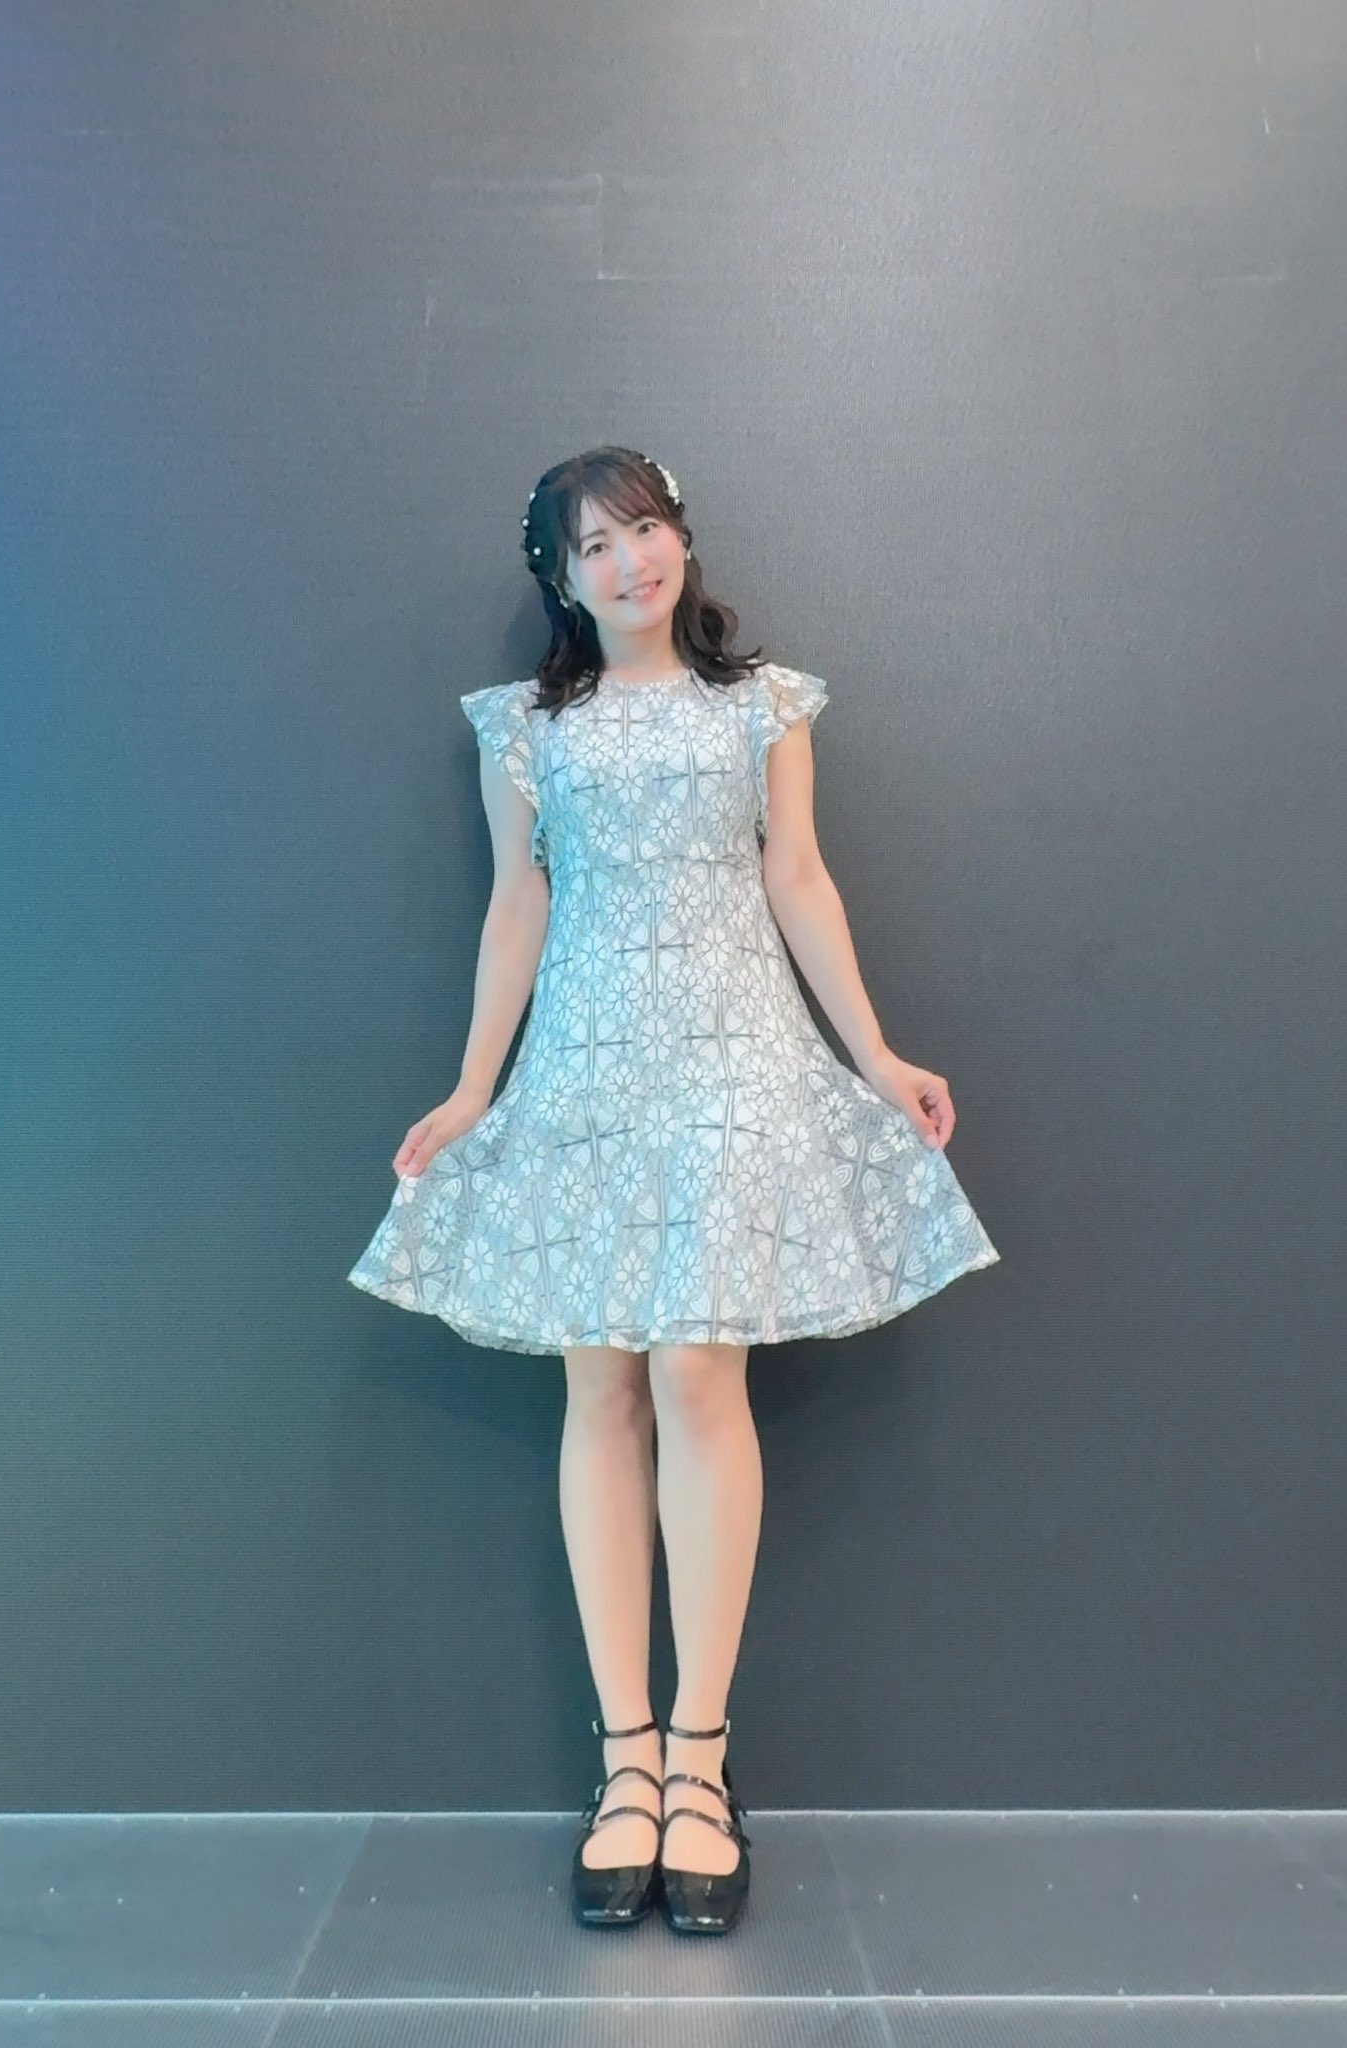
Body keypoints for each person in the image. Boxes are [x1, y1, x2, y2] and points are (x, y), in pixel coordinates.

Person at [347, 445, 1001, 1935]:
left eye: (644, 529)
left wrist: (879, 1053)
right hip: (585, 1071)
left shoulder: (764, 705)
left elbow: (798, 880)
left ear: (681, 539)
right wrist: (473, 1087)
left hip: (733, 1061)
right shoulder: (526, 728)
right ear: (560, 579)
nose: (629, 561)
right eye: (594, 546)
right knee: (600, 1383)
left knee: (701, 1371)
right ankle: (624, 1763)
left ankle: (701, 1760)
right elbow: (519, 903)